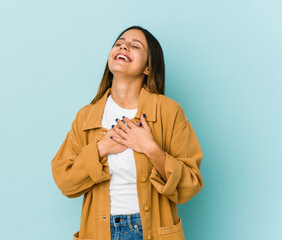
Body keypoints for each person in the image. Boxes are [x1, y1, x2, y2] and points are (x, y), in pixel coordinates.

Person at [51, 25, 203, 240]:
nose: (123, 46)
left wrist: (150, 148)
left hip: (150, 231)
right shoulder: (86, 116)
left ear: (148, 68)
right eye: (119, 43)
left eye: (135, 46)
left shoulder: (169, 112)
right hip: (99, 233)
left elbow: (190, 184)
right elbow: (66, 182)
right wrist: (102, 148)